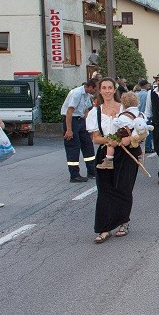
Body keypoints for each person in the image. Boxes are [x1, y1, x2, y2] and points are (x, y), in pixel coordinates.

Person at [86, 77, 140, 243]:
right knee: (104, 190)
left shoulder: (126, 109)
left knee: (123, 187)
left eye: (110, 88)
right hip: (105, 153)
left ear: (115, 90)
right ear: (99, 90)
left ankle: (124, 221)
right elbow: (95, 138)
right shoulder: (94, 112)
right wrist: (110, 140)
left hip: (126, 153)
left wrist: (126, 140)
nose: (107, 91)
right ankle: (104, 228)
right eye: (104, 88)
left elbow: (140, 130)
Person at [61, 79, 98, 182]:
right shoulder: (76, 93)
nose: (96, 91)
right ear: (90, 87)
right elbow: (69, 112)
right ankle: (74, 175)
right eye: (95, 89)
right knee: (73, 148)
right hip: (71, 120)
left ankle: (92, 171)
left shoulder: (87, 95)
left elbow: (86, 110)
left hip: (81, 121)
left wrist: (88, 127)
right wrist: (69, 130)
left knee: (88, 145)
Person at [96, 92, 142, 170]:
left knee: (111, 143)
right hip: (135, 133)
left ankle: (109, 160)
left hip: (124, 133)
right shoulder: (140, 114)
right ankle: (139, 155)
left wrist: (114, 117)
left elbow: (117, 123)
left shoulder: (124, 115)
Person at [135, 79, 153, 153]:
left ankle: (139, 146)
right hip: (146, 114)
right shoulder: (147, 94)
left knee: (139, 131)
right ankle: (148, 147)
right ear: (145, 85)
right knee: (148, 131)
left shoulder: (137, 94)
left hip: (138, 114)